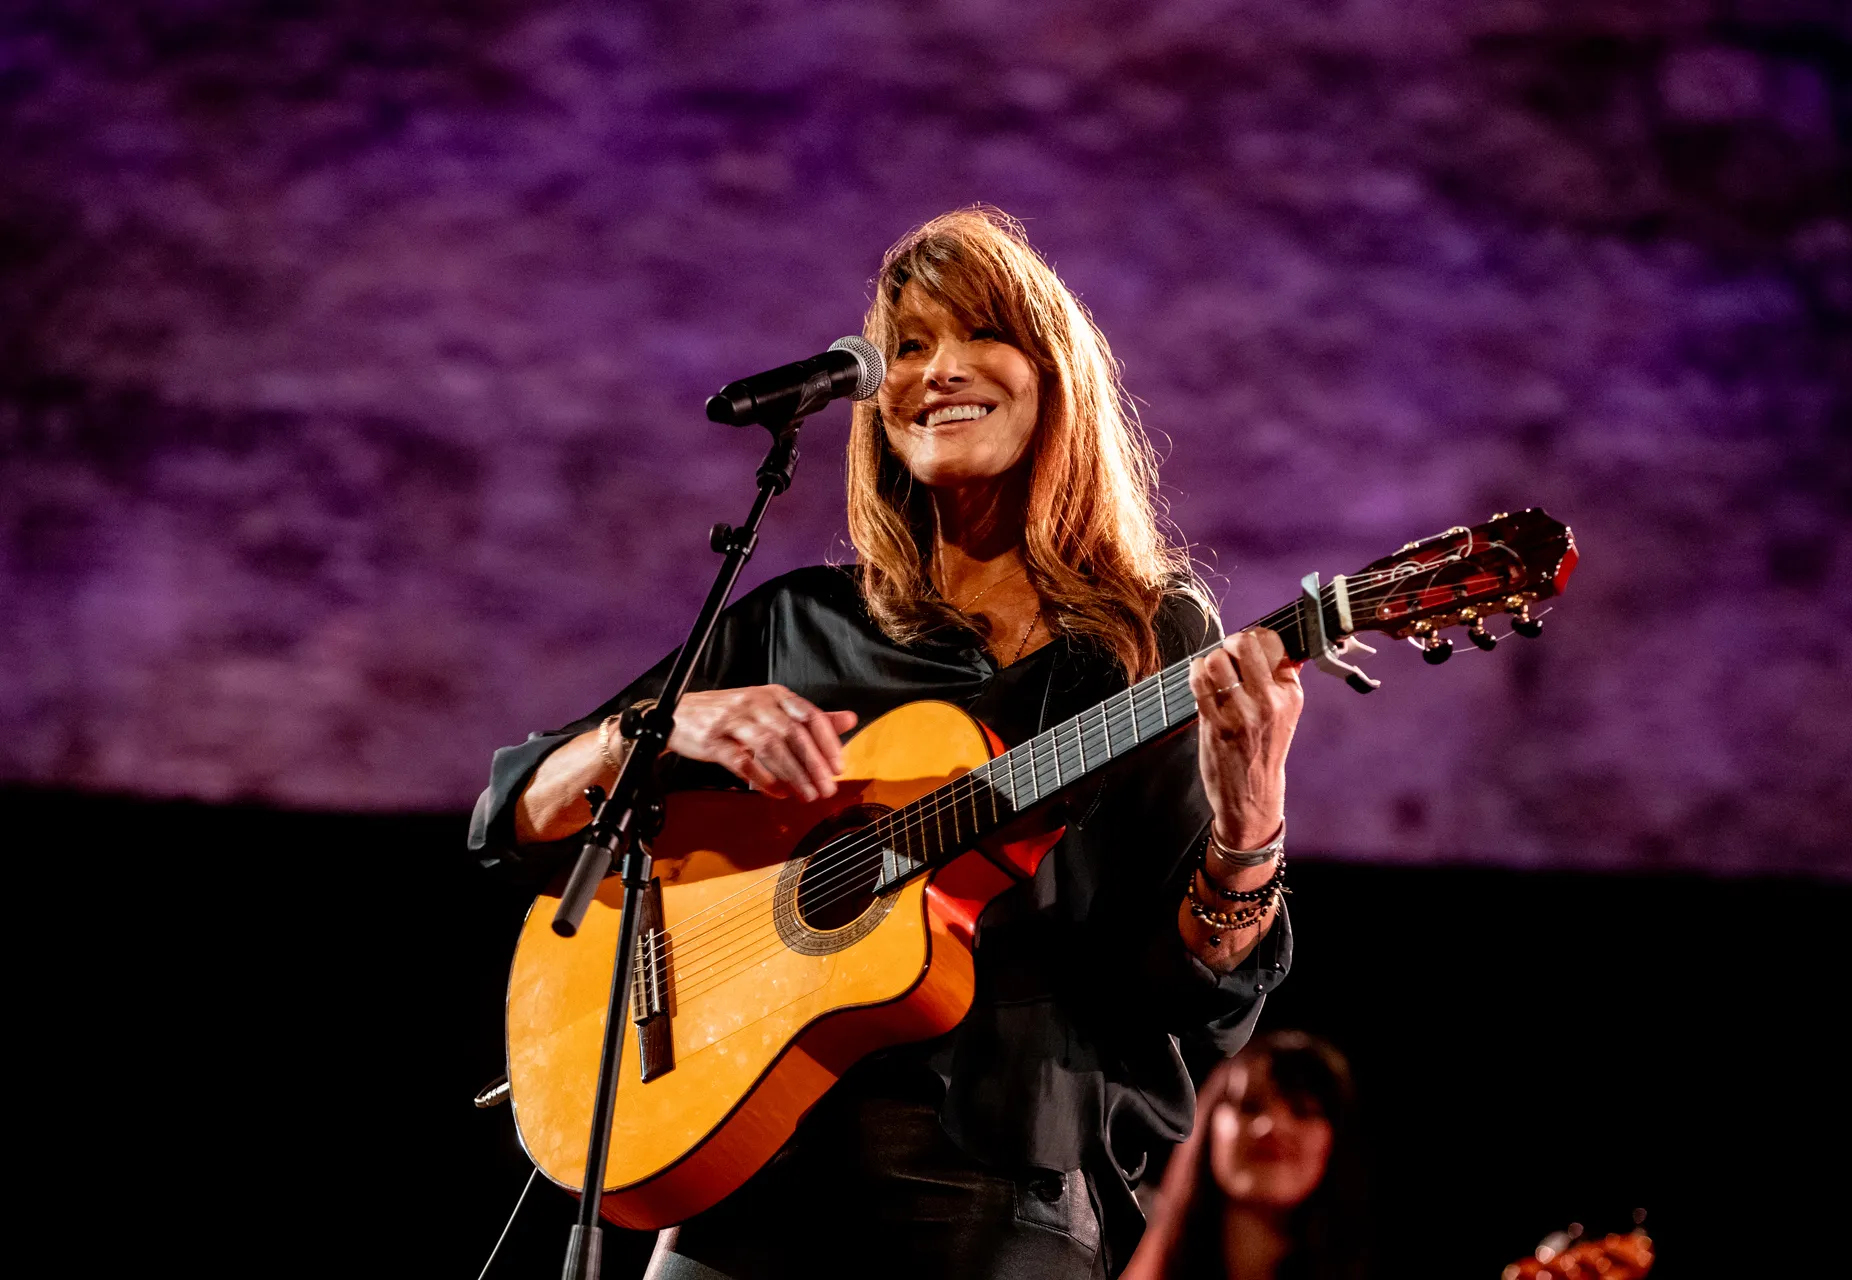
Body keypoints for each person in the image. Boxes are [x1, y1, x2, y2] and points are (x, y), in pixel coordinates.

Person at [471, 207, 1307, 1279]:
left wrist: (1250, 824)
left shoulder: (1150, 647)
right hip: (740, 1164)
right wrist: (662, 724)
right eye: (908, 346)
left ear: (1054, 376)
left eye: (980, 336)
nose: (936, 370)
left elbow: (1195, 995)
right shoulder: (795, 624)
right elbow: (512, 815)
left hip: (996, 1179)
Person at [1123, 1032, 1369, 1280]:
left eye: (1303, 1110)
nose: (1272, 1126)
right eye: (1250, 1105)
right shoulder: (1116, 1250)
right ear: (1207, 1127)